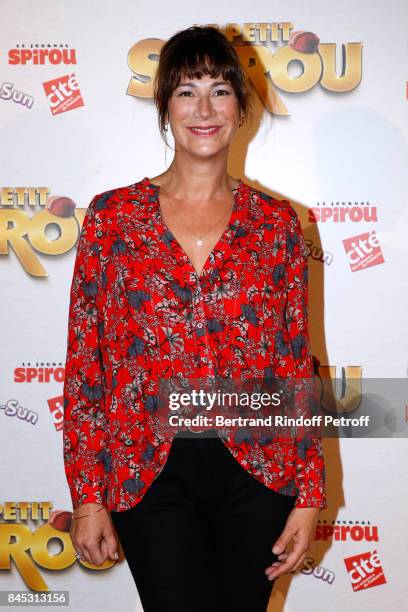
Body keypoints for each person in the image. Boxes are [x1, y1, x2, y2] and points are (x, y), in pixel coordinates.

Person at [63, 25, 327, 612]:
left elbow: (293, 364)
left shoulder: (276, 225)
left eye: (219, 90)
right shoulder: (114, 219)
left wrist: (309, 496)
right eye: (186, 91)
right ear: (164, 109)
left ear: (241, 108)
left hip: (258, 469)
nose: (204, 108)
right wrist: (87, 495)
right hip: (147, 469)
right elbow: (87, 362)